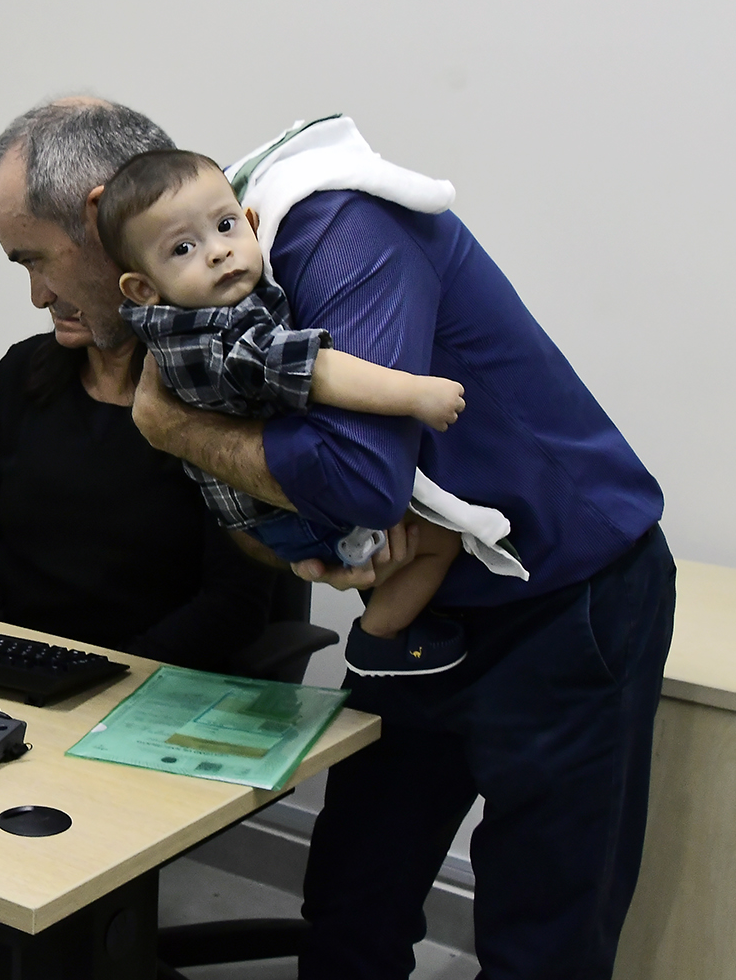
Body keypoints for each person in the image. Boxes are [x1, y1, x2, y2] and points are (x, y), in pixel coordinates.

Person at [124, 115, 673, 978]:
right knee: (352, 900)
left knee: (543, 938)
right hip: (430, 616)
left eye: (34, 262)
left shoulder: (340, 230)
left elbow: (359, 481)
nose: (42, 297)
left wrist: (172, 427)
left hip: (569, 596)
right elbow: (275, 521)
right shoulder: (187, 314)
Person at [96, 147, 482, 672]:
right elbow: (316, 370)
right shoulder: (209, 342)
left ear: (251, 223)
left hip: (270, 510)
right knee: (439, 535)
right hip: (286, 513)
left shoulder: (213, 307)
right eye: (183, 248)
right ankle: (380, 637)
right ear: (143, 288)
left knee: (412, 523)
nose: (216, 252)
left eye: (226, 226)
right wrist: (415, 393)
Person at [0, 100, 280, 673]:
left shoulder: (222, 387)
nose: (39, 296)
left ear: (106, 232)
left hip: (150, 702)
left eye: (38, 261)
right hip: (18, 685)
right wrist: (5, 663)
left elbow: (234, 605)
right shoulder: (20, 375)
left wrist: (90, 685)